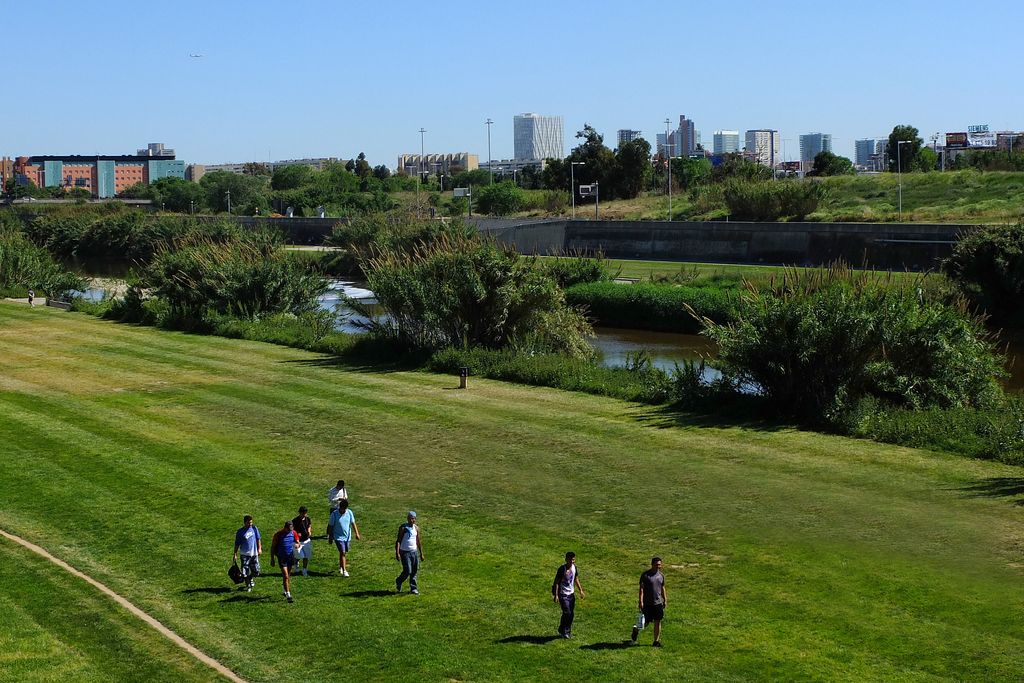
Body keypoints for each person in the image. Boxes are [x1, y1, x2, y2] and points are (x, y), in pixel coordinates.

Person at [632, 557, 667, 647]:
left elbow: (662, 587)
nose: (658, 566)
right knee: (645, 623)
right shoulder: (645, 575)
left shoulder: (661, 575)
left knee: (658, 621)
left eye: (659, 565)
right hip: (647, 603)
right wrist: (641, 601)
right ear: (652, 565)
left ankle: (656, 641)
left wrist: (665, 599)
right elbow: (642, 589)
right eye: (656, 565)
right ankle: (636, 630)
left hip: (658, 603)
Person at [551, 551, 585, 639]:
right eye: (570, 559)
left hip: (571, 594)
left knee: (571, 614)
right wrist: (556, 595)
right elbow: (557, 582)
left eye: (573, 559)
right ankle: (564, 630)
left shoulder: (574, 568)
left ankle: (566, 631)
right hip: (563, 594)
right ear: (566, 559)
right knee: (567, 612)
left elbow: (576, 579)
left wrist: (580, 590)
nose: (572, 561)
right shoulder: (562, 569)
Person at [326, 499, 361, 576]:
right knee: (343, 552)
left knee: (343, 552)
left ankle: (341, 567)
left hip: (347, 537)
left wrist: (357, 533)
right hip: (338, 537)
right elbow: (330, 526)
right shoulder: (334, 514)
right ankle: (345, 571)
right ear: (340, 507)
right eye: (342, 509)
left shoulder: (349, 512)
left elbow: (353, 523)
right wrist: (330, 537)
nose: (344, 510)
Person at [270, 520, 301, 602]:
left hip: (290, 556)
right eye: (289, 529)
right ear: (285, 528)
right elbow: (273, 547)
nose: (290, 531)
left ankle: (285, 589)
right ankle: (288, 594)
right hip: (281, 557)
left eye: (291, 529)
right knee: (286, 576)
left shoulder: (293, 532)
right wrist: (272, 559)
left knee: (287, 576)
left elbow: (298, 542)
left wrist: (297, 545)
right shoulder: (278, 534)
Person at [394, 511, 424, 594]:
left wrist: (421, 553)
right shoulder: (403, 528)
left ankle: (413, 588)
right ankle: (399, 581)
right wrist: (397, 552)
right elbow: (398, 541)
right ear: (408, 519)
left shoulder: (416, 528)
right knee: (408, 571)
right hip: (405, 552)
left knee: (414, 570)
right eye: (411, 518)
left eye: (414, 518)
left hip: (414, 552)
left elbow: (418, 541)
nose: (412, 520)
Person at [232, 515, 262, 592]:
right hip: (244, 555)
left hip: (254, 554)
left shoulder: (254, 528)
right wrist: (235, 554)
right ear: (245, 523)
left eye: (251, 522)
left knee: (256, 571)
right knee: (245, 572)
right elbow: (237, 544)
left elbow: (258, 539)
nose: (250, 524)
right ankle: (248, 585)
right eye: (249, 523)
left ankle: (251, 577)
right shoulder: (240, 532)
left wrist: (259, 548)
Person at [291, 506, 313, 577]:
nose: (304, 514)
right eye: (303, 513)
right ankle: (295, 562)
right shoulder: (295, 521)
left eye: (305, 513)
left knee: (306, 556)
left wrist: (309, 531)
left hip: (306, 540)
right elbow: (292, 531)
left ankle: (304, 570)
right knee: (299, 555)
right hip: (298, 542)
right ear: (300, 512)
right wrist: (297, 534)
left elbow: (309, 525)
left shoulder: (307, 519)